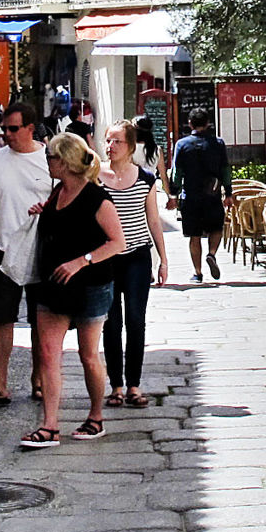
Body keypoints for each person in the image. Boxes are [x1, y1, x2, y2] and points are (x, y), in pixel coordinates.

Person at [20, 132, 127, 448]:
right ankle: (49, 424)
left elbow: (117, 243)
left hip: (90, 285)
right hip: (53, 283)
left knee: (88, 355)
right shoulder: (57, 192)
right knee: (48, 352)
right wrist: (44, 211)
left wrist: (82, 261)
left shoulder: (97, 198)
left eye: (50, 157)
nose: (47, 162)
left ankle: (96, 416)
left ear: (64, 161)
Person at [0, 101, 52, 406]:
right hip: (3, 249)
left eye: (13, 129)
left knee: (40, 319)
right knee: (2, 317)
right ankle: (0, 381)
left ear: (30, 128)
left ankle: (39, 377)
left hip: (41, 250)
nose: (6, 134)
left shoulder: (49, 158)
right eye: (3, 128)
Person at [101, 120, 169, 408]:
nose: (110, 146)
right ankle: (115, 385)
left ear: (130, 146)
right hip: (105, 258)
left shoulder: (145, 178)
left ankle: (134, 385)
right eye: (108, 140)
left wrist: (163, 260)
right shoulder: (95, 177)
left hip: (137, 256)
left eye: (117, 141)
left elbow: (153, 220)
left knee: (136, 320)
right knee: (111, 323)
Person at [168, 108, 231, 284]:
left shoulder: (182, 144)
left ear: (190, 123)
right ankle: (211, 254)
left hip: (191, 196)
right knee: (216, 228)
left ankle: (198, 273)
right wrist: (229, 193)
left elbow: (177, 173)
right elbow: (226, 169)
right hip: (213, 194)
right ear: (208, 123)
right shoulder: (218, 143)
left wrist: (174, 194)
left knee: (194, 235)